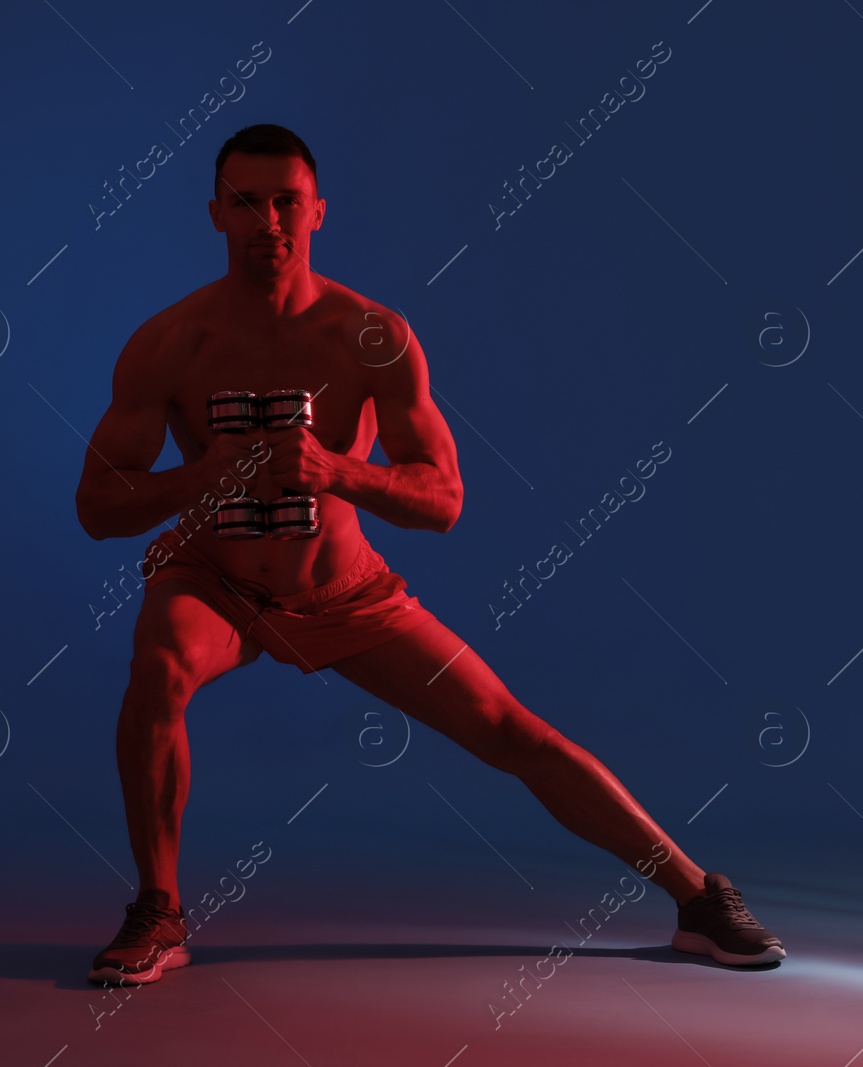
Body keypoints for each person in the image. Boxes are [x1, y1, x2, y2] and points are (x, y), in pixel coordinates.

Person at [73, 124, 784, 985]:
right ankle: (160, 911)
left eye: (287, 201)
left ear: (318, 211)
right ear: (216, 213)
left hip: (341, 590)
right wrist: (201, 476)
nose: (269, 221)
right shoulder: (169, 343)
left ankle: (699, 895)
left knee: (511, 732)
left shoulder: (370, 335)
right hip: (215, 581)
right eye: (247, 202)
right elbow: (97, 505)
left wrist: (336, 468)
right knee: (158, 664)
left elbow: (442, 500)